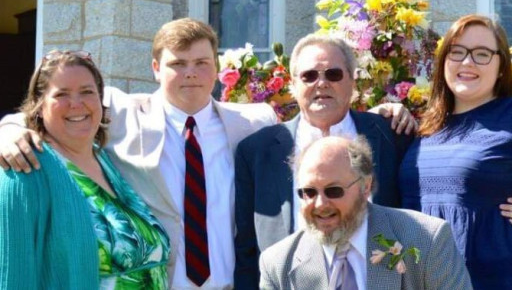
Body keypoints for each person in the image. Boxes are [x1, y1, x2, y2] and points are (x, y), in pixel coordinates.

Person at [0, 19, 411, 289]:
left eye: (201, 62)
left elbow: (319, 130)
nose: (191, 73)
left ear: (217, 68)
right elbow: (58, 109)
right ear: (156, 69)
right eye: (178, 64)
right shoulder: (121, 113)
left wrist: (384, 112)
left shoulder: (254, 123)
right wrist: (8, 130)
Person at [234, 33, 416, 288]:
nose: (321, 83)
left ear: (352, 81)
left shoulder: (391, 136)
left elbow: (417, 222)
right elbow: (245, 249)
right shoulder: (256, 151)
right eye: (309, 76)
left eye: (333, 74)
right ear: (292, 84)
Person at [0, 50, 170, 288]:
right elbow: (13, 276)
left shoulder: (106, 159)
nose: (76, 104)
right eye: (62, 94)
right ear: (39, 106)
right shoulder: (25, 169)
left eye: (87, 92)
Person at [259, 135, 472, 289]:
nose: (320, 204)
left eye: (334, 190)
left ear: (365, 186)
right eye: (309, 192)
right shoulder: (277, 263)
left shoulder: (426, 239)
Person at [399, 14, 512, 289]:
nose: (467, 62)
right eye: (457, 52)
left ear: (501, 66)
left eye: (482, 54)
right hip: (423, 277)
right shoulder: (427, 126)